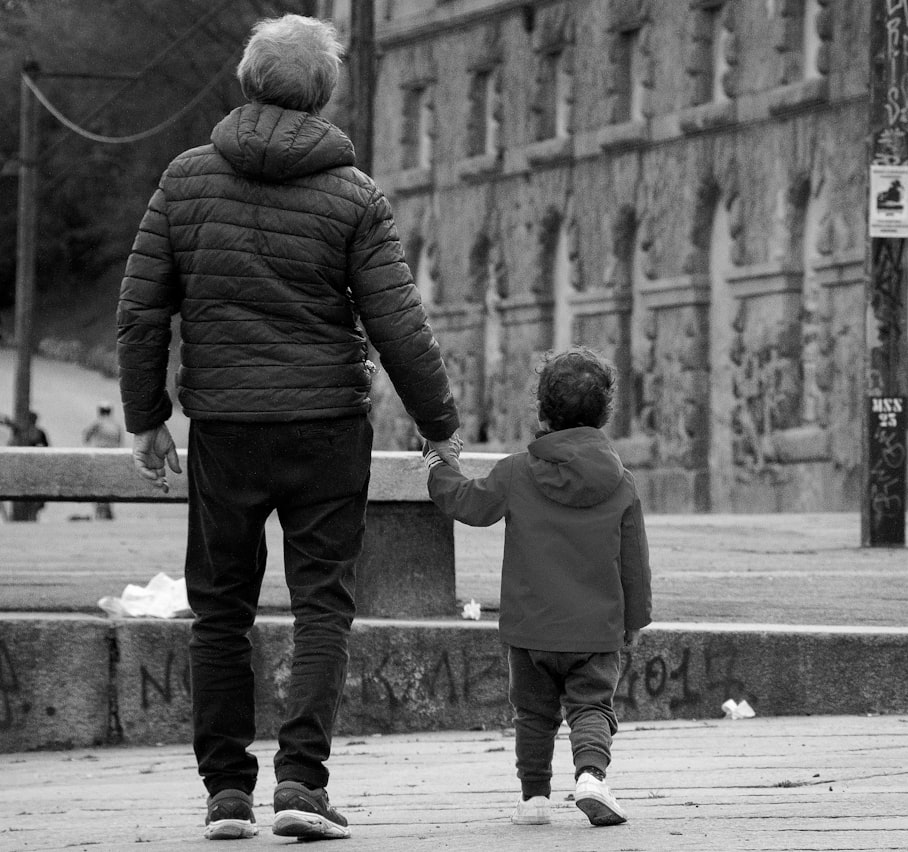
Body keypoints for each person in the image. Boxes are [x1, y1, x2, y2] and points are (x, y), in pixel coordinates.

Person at [116, 14, 461, 842]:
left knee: (221, 610)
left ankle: (226, 795)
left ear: (247, 81)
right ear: (324, 94)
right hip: (324, 430)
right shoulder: (353, 195)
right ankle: (301, 785)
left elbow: (141, 311)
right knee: (321, 609)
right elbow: (397, 322)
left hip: (227, 427)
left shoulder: (186, 179)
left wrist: (147, 419)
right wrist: (439, 425)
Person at [424, 347, 652, 828]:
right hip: (596, 628)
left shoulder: (516, 472)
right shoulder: (622, 483)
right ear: (605, 414)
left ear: (543, 412)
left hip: (529, 630)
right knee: (591, 705)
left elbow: (469, 504)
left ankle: (533, 800)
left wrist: (437, 468)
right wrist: (636, 621)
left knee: (532, 714)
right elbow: (635, 563)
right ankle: (591, 775)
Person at [2, 410, 49, 521]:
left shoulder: (35, 432)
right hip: (25, 469)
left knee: (32, 500)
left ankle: (28, 518)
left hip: (30, 469)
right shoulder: (30, 432)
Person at [82, 401, 123, 519]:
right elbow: (120, 443)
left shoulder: (97, 424)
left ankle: (100, 509)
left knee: (97, 482)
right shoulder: (116, 425)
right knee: (109, 482)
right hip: (113, 458)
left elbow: (86, 438)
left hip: (99, 457)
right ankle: (107, 508)